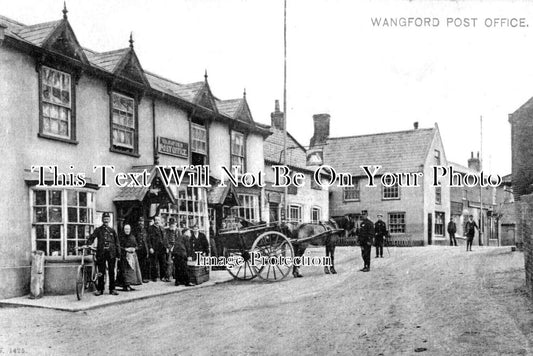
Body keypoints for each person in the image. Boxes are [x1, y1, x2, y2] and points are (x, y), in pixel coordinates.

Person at [86, 212, 120, 296]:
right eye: (104, 219)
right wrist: (88, 244)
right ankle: (100, 289)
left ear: (109, 220)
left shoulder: (112, 231)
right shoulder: (98, 230)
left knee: (112, 272)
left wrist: (118, 254)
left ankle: (112, 289)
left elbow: (117, 243)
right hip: (101, 253)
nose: (106, 220)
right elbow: (92, 237)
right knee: (101, 272)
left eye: (107, 219)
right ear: (102, 219)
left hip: (111, 254)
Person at [119, 224, 142, 291]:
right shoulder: (121, 237)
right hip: (124, 256)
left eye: (128, 229)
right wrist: (125, 249)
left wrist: (134, 249)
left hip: (132, 255)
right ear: (123, 230)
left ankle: (129, 284)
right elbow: (118, 246)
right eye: (126, 229)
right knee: (125, 271)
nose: (127, 231)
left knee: (131, 271)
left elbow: (136, 245)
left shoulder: (132, 237)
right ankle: (125, 285)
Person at [147, 216, 170, 282]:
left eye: (158, 220)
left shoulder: (162, 228)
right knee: (154, 263)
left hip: (162, 248)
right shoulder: (150, 228)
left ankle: (163, 277)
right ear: (154, 221)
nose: (157, 221)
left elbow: (165, 239)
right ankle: (154, 277)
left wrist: (167, 247)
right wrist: (150, 247)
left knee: (163, 263)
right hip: (154, 248)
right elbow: (148, 239)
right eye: (156, 220)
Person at [134, 217, 150, 283]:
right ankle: (138, 278)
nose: (141, 223)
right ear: (138, 222)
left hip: (144, 249)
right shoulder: (135, 230)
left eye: (142, 221)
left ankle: (144, 277)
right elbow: (134, 239)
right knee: (138, 264)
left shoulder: (145, 230)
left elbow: (147, 240)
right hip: (138, 249)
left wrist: (149, 248)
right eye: (140, 221)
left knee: (144, 264)